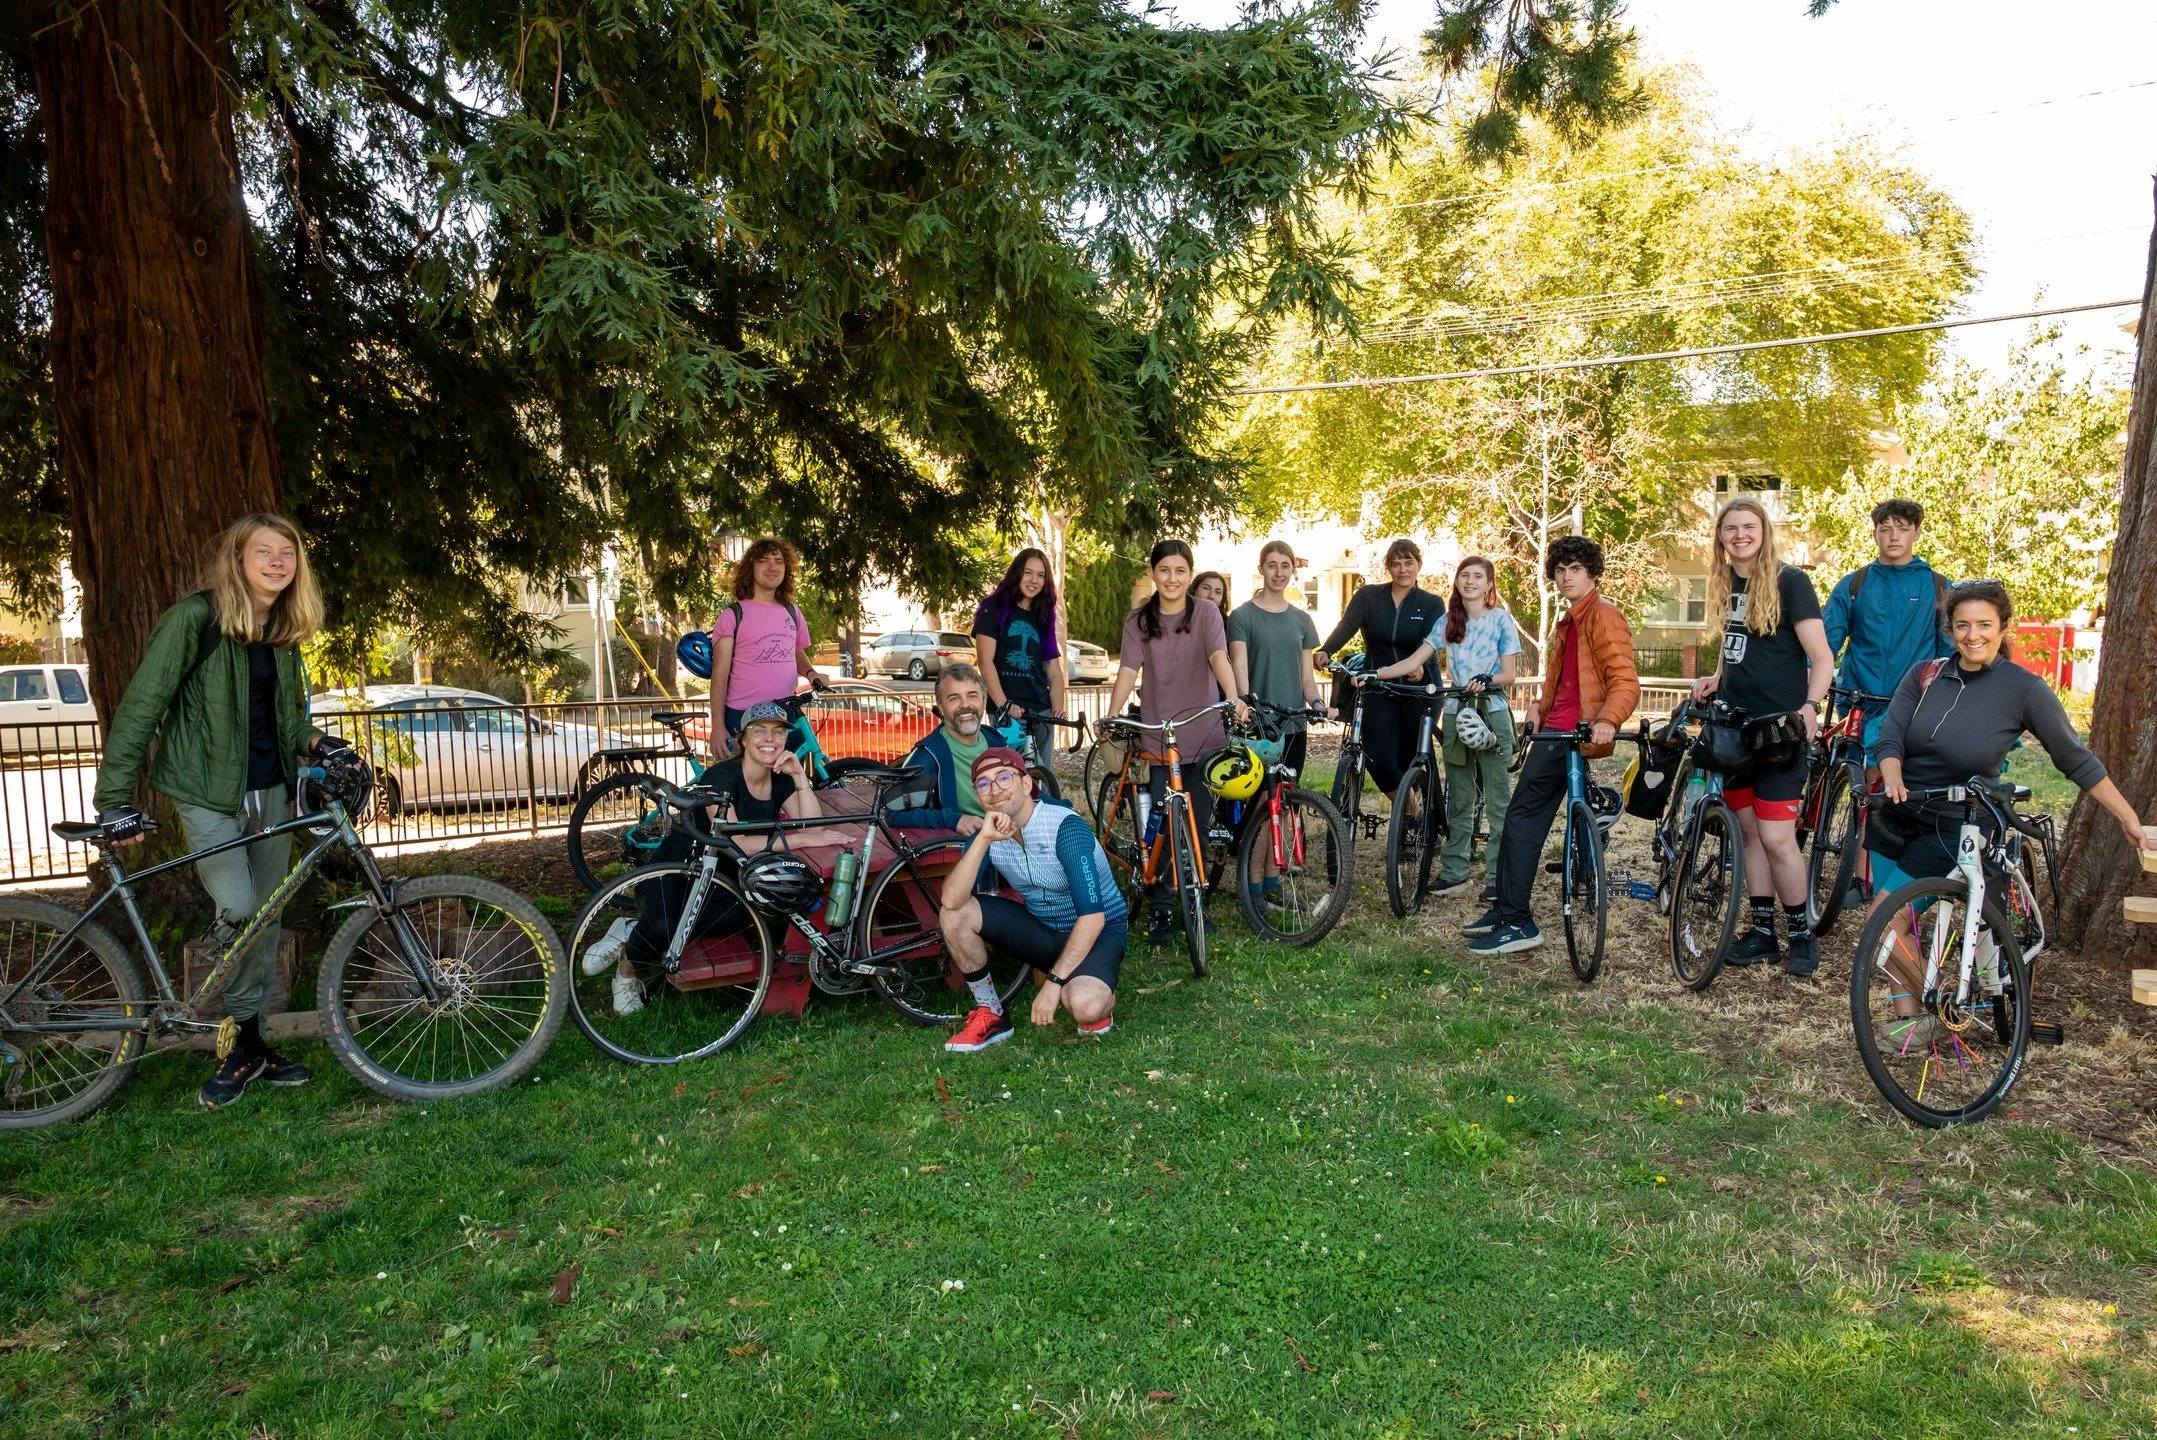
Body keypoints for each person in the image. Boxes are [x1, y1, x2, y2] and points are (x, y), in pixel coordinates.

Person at [92, 513, 346, 1110]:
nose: (278, 562)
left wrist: (321, 744)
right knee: (239, 905)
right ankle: (233, 1032)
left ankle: (249, 1045)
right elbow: (141, 707)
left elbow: (287, 721)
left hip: (271, 793)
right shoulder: (194, 619)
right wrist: (114, 800)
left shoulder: (282, 630)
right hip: (206, 792)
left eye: (288, 552)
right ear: (238, 558)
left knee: (268, 915)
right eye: (265, 551)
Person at [1867, 580, 2157, 1044]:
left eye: (1984, 624)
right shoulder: (1924, 675)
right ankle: (1914, 1017)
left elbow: (2074, 758)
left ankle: (1932, 1012)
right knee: (1892, 927)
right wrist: (1893, 774)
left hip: (1958, 821)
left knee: (1882, 922)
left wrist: (2127, 817)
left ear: (2004, 627)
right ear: (1949, 628)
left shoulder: (2023, 689)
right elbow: (1891, 737)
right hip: (1899, 811)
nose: (1972, 635)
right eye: (1962, 625)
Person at [581, 700, 821, 1014]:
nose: (769, 740)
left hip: (725, 879)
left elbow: (811, 823)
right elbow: (738, 842)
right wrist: (801, 837)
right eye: (759, 731)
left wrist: (800, 775)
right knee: (664, 926)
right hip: (678, 867)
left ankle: (631, 929)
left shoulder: (781, 776)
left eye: (777, 732)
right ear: (743, 739)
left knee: (735, 920)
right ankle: (626, 973)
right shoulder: (721, 776)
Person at [1465, 538, 1638, 956]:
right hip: (1554, 730)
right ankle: (1507, 912)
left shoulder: (1604, 615)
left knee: (1522, 820)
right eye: (1560, 570)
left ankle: (1518, 921)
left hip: (1572, 735)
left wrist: (1607, 721)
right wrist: (1538, 709)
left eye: (1575, 568)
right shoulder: (1571, 620)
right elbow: (1559, 683)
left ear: (1592, 573)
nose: (1566, 577)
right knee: (1520, 818)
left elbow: (1625, 681)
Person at [1689, 495, 1837, 976]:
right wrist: (1716, 676)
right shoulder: (1726, 580)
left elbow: (1823, 658)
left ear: (1763, 531)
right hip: (1733, 728)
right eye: (1730, 528)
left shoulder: (1791, 582)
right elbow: (1736, 642)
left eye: (1748, 526)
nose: (1739, 535)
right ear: (1720, 536)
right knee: (1750, 833)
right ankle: (1761, 933)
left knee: (1777, 837)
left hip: (1779, 731)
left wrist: (1811, 707)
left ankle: (1800, 935)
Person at [1101, 540, 1248, 945]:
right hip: (1158, 738)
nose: (1172, 578)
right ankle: (1162, 910)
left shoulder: (1206, 613)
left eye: (1181, 571)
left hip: (1202, 735)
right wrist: (1114, 715)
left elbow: (1220, 656)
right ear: (1153, 573)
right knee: (1164, 829)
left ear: (1190, 574)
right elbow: (1129, 670)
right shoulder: (1139, 620)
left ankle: (1194, 905)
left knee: (1197, 828)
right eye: (1164, 570)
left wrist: (1233, 697)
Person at [939, 747, 1130, 1052]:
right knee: (955, 914)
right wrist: (984, 840)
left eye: (1004, 777)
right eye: (983, 784)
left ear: (1026, 784)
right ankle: (991, 1013)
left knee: (1085, 1006)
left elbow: (1093, 917)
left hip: (1098, 933)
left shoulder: (1065, 827)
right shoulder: (989, 832)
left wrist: (1054, 983)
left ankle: (1092, 988)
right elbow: (951, 900)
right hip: (1042, 930)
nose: (995, 790)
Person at [1366, 556, 1520, 901]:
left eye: (1478, 576)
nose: (1470, 581)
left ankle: (1498, 877)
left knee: (1497, 798)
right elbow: (1413, 661)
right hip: (1455, 714)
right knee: (1459, 797)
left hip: (1491, 714)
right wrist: (1374, 675)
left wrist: (1486, 680)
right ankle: (1454, 872)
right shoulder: (1448, 621)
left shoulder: (1500, 621)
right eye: (1464, 575)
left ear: (1489, 584)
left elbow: (1509, 674)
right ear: (1458, 582)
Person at [1821, 498, 1954, 770]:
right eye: (1885, 529)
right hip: (1856, 700)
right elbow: (1824, 644)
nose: (1894, 536)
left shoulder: (1938, 586)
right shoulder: (1854, 584)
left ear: (1917, 533)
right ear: (1875, 534)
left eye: (1903, 528)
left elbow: (1949, 652)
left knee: (1892, 777)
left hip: (1910, 702)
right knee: (1847, 773)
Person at [1315, 539, 1447, 804]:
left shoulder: (1431, 603)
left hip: (1419, 689)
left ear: (1418, 565)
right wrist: (1326, 650)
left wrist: (1419, 666)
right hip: (1378, 687)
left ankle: (1418, 818)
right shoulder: (1368, 596)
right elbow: (1348, 624)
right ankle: (1410, 808)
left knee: (1409, 758)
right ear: (1388, 568)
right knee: (1380, 759)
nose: (1403, 570)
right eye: (1396, 564)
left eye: (1409, 563)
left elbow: (1428, 642)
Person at [1227, 541, 1323, 907]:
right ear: (1261, 569)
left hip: (1294, 726)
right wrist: (1247, 707)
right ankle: (1252, 886)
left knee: (1282, 807)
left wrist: (1316, 704)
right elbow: (1239, 670)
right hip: (1259, 726)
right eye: (1272, 565)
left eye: (1285, 566)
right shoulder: (1243, 616)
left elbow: (1306, 677)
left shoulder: (1302, 620)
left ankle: (1271, 882)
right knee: (1261, 807)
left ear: (1292, 570)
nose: (1279, 572)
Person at [710, 536, 825, 758]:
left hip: (785, 714)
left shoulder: (792, 611)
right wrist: (717, 725)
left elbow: (795, 651)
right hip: (743, 716)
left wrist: (811, 673)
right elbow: (719, 674)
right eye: (764, 560)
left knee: (788, 783)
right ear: (750, 568)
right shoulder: (733, 615)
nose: (772, 567)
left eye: (779, 561)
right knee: (747, 787)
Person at [972, 549, 1068, 762]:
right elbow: (985, 662)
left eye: (1041, 575)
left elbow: (1053, 670)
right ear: (1016, 574)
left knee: (1043, 779)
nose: (1034, 580)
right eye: (1028, 573)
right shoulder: (993, 609)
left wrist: (1058, 709)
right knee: (1013, 777)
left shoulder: (1043, 616)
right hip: (1007, 712)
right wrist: (1004, 705)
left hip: (1041, 712)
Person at [891, 663, 995, 834]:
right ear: (941, 707)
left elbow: (1025, 794)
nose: (965, 705)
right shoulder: (928, 754)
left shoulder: (995, 740)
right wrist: (952, 819)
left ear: (983, 700)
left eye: (972, 696)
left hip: (1010, 834)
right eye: (954, 698)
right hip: (968, 844)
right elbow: (895, 813)